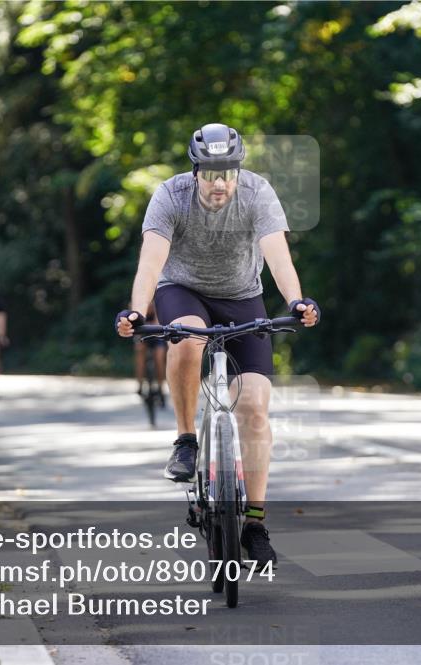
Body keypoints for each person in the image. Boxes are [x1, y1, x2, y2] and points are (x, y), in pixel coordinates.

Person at [115, 123, 319, 570]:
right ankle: (187, 439)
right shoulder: (170, 196)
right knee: (186, 339)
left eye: (228, 171)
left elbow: (276, 253)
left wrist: (296, 301)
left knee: (255, 408)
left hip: (243, 296)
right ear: (195, 172)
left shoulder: (257, 192)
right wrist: (135, 310)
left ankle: (255, 524)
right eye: (210, 172)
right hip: (182, 290)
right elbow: (150, 263)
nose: (220, 182)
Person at [133, 301, 167, 405]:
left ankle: (161, 387)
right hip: (143, 334)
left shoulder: (158, 302)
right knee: (140, 353)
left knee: (159, 359)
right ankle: (139, 385)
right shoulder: (138, 301)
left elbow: (158, 323)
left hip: (157, 334)